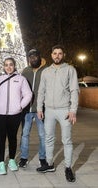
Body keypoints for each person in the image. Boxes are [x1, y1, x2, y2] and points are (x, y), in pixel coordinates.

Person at [36, 45, 79, 182]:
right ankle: (49, 164)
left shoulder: (70, 70)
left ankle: (68, 168)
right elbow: (41, 91)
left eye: (60, 53)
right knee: (48, 138)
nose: (57, 56)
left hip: (64, 110)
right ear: (51, 55)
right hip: (49, 110)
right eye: (55, 53)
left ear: (63, 55)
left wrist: (73, 110)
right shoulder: (46, 72)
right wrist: (39, 108)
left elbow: (74, 90)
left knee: (66, 140)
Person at [0, 57, 32, 175]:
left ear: (14, 66)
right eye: (6, 65)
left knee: (12, 137)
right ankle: (0, 162)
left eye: (11, 64)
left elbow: (28, 94)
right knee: (0, 138)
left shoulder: (21, 79)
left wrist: (20, 106)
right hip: (0, 114)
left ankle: (11, 160)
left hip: (15, 114)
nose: (8, 67)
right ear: (3, 66)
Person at [19, 49, 48, 169]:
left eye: (35, 56)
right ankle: (24, 158)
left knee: (42, 135)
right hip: (26, 110)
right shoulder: (25, 71)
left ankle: (43, 158)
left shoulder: (46, 70)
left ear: (39, 56)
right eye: (30, 57)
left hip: (41, 108)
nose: (33, 58)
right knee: (25, 134)